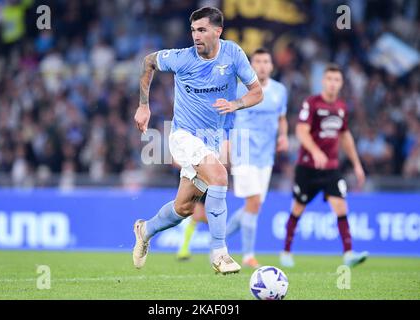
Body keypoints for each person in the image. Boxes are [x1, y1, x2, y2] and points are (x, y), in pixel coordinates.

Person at [133, 7, 263, 274]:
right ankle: (219, 254)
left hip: (211, 140)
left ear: (218, 31)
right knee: (219, 176)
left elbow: (257, 92)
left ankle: (145, 230)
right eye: (193, 30)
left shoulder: (233, 54)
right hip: (183, 136)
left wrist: (235, 104)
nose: (196, 36)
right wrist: (144, 106)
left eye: (202, 30)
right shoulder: (181, 58)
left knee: (184, 207)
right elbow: (148, 61)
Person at [177, 48, 289, 270]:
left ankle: (218, 240)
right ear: (251, 66)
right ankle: (248, 256)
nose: (263, 65)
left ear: (271, 66)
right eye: (258, 61)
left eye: (266, 61)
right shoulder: (237, 89)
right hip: (243, 152)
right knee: (254, 202)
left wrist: (284, 135)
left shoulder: (279, 91)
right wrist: (224, 145)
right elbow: (223, 119)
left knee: (253, 206)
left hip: (266, 157)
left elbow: (282, 117)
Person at [279, 64, 368, 268]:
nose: (332, 83)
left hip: (331, 169)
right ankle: (285, 251)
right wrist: (316, 151)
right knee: (298, 208)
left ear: (341, 83)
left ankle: (348, 254)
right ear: (323, 81)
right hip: (307, 168)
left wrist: (357, 164)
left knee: (341, 206)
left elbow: (345, 136)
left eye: (336, 80)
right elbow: (301, 130)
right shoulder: (312, 103)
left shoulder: (342, 108)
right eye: (329, 79)